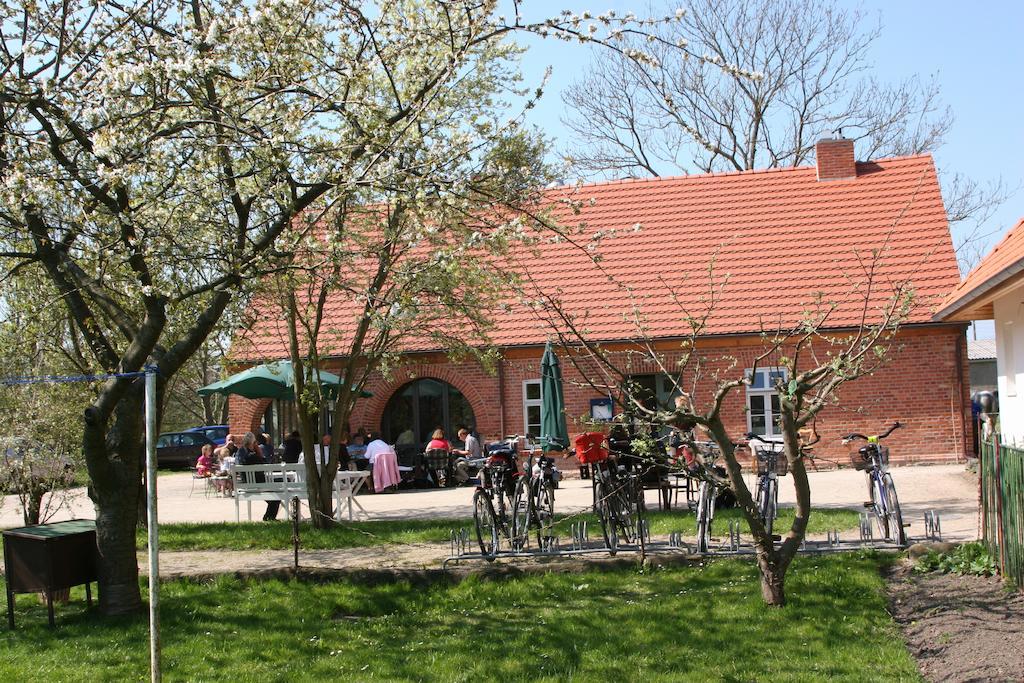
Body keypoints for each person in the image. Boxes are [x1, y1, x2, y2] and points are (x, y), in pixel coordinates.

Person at [238, 432, 279, 521]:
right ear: (254, 443)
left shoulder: (240, 453)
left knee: (274, 496)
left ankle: (268, 517)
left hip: (245, 484)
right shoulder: (254, 456)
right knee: (277, 494)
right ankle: (269, 518)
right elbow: (266, 463)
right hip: (258, 484)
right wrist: (259, 452)